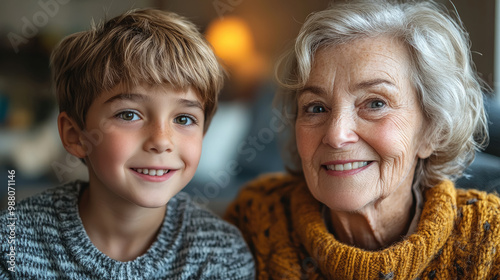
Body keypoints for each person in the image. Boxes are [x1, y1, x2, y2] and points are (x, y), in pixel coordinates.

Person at [225, 1, 499, 279]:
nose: (336, 135)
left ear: (433, 131)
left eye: (375, 103)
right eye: (316, 108)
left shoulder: (489, 241)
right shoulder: (257, 221)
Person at [0, 9, 254, 279]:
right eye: (129, 115)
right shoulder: (14, 245)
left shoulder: (222, 255)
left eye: (183, 118)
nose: (161, 141)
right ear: (75, 136)